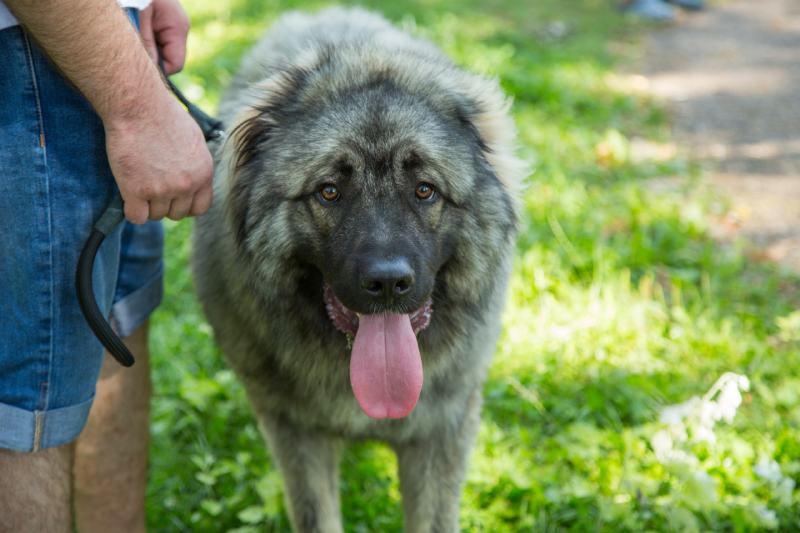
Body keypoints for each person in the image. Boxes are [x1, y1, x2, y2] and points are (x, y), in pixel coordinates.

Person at [0, 0, 213, 530]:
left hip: (102, 39)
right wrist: (138, 109)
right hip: (33, 40)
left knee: (114, 328)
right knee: (26, 409)